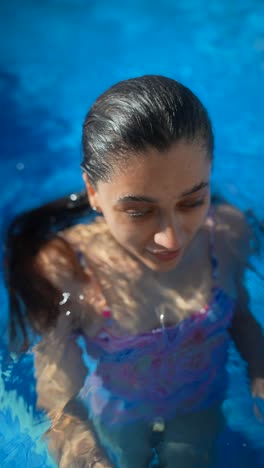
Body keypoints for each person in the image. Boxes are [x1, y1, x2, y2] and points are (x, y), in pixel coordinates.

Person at [4, 75, 264, 468]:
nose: (171, 237)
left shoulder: (225, 235)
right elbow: (55, 384)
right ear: (93, 191)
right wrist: (82, 451)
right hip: (121, 413)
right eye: (139, 211)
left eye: (193, 200)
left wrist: (260, 373)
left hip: (200, 402)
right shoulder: (68, 267)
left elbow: (242, 317)